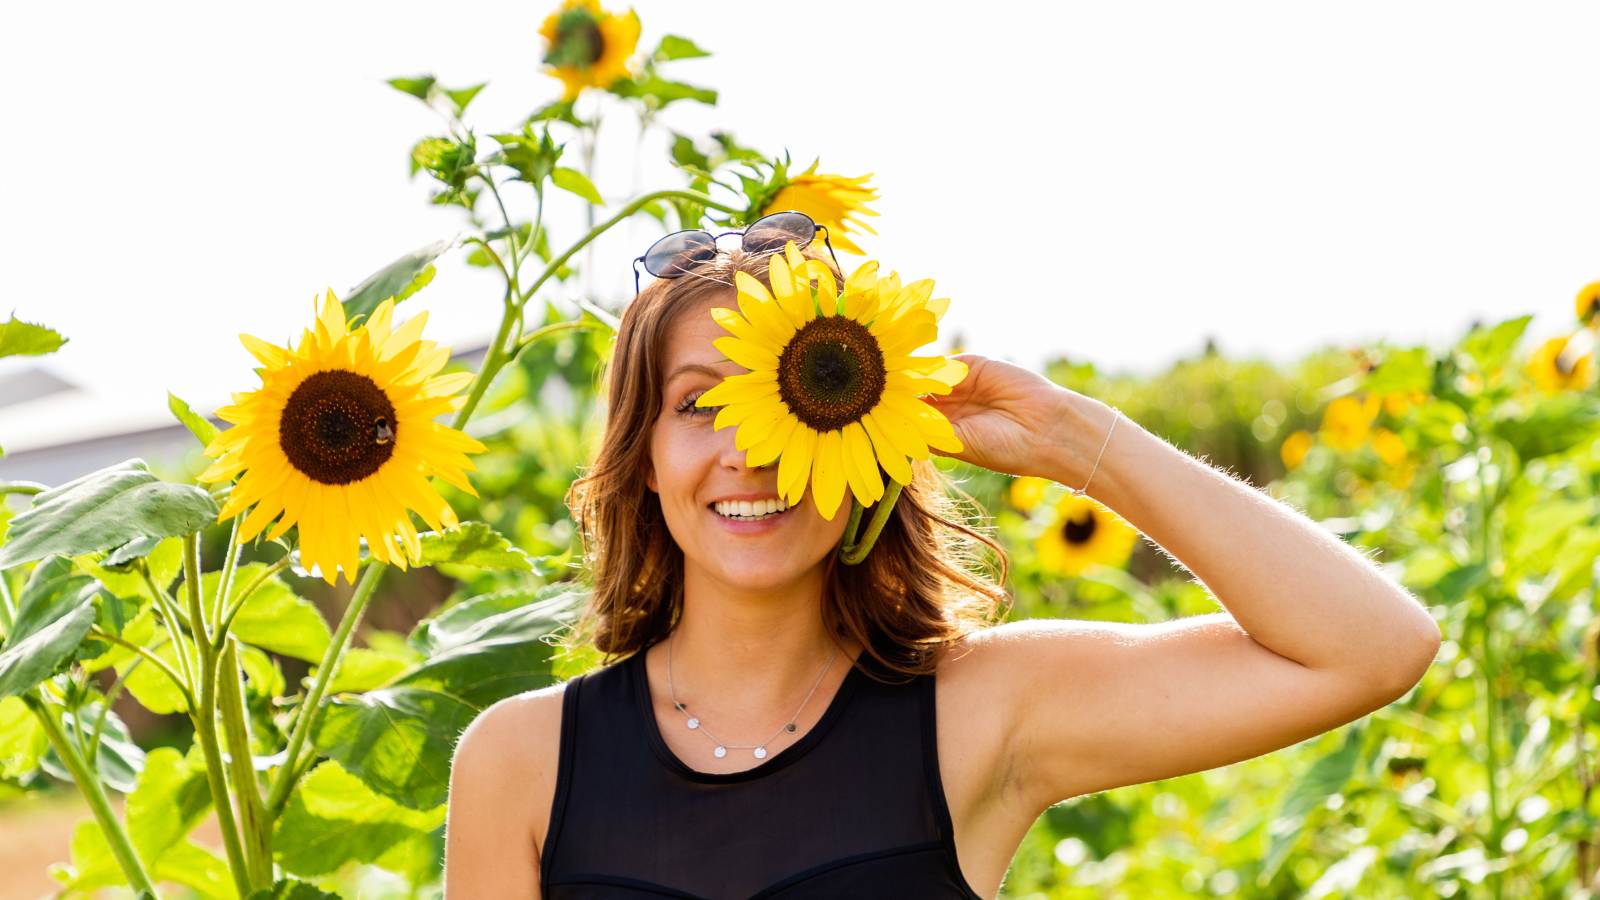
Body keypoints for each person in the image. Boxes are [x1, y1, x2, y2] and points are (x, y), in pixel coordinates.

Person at [441, 233, 1442, 899]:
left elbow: (1372, 648)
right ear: (643, 456)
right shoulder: (522, 763)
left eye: (789, 399)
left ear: (868, 439)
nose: (746, 448)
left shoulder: (982, 709)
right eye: (699, 403)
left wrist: (1071, 438)